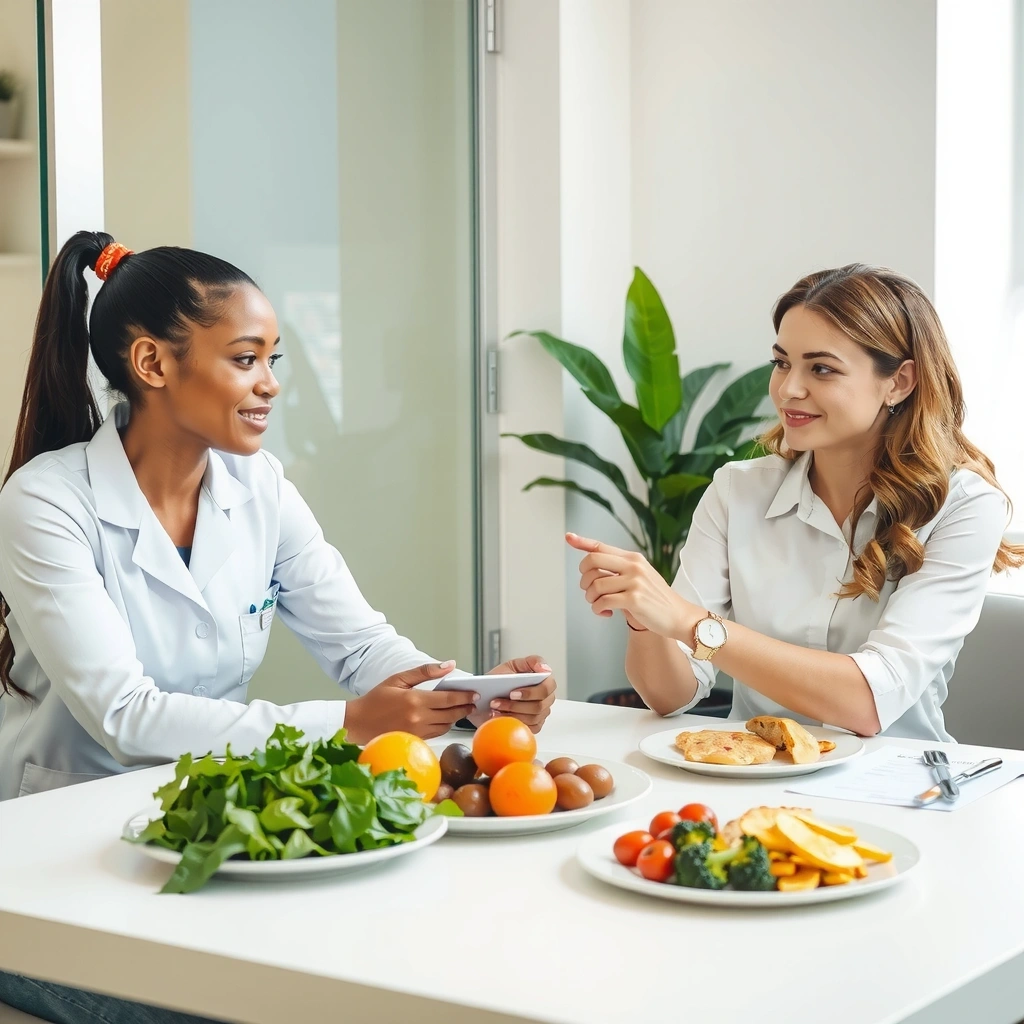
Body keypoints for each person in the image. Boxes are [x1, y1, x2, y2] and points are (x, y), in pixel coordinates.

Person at [0, 231, 556, 1020]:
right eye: (245, 358)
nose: (271, 385)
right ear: (153, 365)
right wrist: (353, 724)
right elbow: (125, 715)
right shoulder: (46, 504)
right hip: (55, 867)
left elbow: (360, 643)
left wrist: (470, 696)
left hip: (202, 830)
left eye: (275, 360)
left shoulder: (257, 484)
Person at [569, 263, 1023, 742]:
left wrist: (688, 621)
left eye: (821, 368)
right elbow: (670, 695)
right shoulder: (736, 491)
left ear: (900, 381)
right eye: (781, 363)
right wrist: (648, 618)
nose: (788, 389)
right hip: (750, 777)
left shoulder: (963, 506)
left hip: (899, 787)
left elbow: (868, 701)